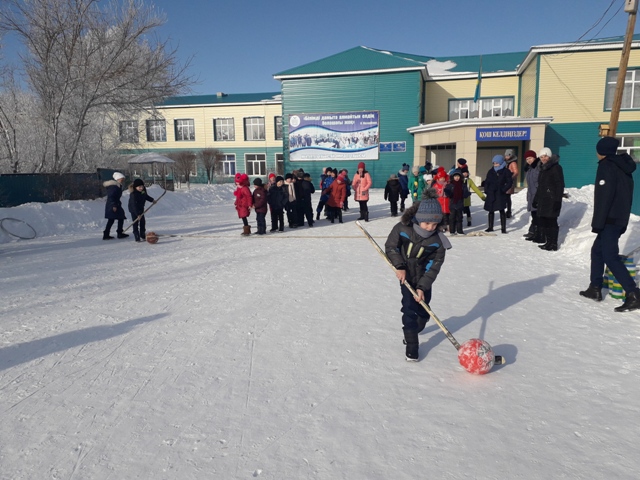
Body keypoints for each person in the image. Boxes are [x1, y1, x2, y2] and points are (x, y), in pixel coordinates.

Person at [384, 188, 452, 361]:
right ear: (418, 218)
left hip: (423, 278)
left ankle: (420, 322)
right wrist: (399, 266)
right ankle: (412, 344)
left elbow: (434, 267)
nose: (431, 227)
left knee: (423, 308)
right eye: (427, 223)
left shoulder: (438, 242)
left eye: (435, 224)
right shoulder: (402, 228)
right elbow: (391, 247)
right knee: (408, 309)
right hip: (406, 276)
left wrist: (422, 287)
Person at [580, 136, 640, 312]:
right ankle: (595, 287)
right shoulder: (623, 167)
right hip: (618, 217)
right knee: (597, 251)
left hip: (609, 219)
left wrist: (598, 223)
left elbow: (604, 197)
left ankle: (633, 294)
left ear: (602, 152)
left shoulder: (607, 166)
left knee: (610, 256)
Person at [533, 147, 564, 251]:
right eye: (541, 157)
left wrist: (557, 200)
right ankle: (548, 242)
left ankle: (553, 244)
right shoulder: (543, 169)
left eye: (545, 156)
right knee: (545, 221)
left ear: (549, 156)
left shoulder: (556, 168)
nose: (543, 159)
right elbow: (540, 186)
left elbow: (560, 185)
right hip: (543, 199)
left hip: (552, 199)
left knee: (551, 221)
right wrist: (536, 199)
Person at [482, 155, 513, 233]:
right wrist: (486, 190)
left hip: (500, 193)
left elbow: (509, 182)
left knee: (501, 210)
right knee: (491, 210)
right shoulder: (491, 171)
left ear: (501, 163)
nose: (495, 165)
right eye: (494, 163)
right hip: (491, 193)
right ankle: (490, 227)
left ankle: (503, 228)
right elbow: (487, 181)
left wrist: (503, 189)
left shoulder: (506, 171)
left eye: (497, 163)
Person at [522, 150, 542, 242]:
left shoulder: (538, 167)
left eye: (530, 158)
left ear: (534, 157)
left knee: (538, 216)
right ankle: (533, 232)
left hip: (538, 195)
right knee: (534, 215)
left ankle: (537, 233)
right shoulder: (529, 169)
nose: (528, 160)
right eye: (527, 159)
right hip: (531, 195)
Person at [103, 172, 128, 240]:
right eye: (122, 179)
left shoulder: (117, 186)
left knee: (119, 218)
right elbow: (111, 196)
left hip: (116, 204)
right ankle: (109, 234)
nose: (123, 180)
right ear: (118, 179)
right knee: (112, 219)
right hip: (112, 205)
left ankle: (117, 233)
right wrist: (114, 205)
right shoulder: (113, 187)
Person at [444, 169, 470, 235]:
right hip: (452, 203)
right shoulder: (450, 185)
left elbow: (465, 193)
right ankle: (452, 231)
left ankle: (459, 230)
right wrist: (447, 191)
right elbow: (448, 194)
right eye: (455, 176)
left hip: (460, 203)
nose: (457, 178)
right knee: (452, 218)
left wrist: (467, 193)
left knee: (459, 218)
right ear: (453, 177)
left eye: (458, 176)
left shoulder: (463, 185)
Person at [504, 149, 519, 218]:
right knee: (506, 197)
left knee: (507, 197)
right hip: (506, 182)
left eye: (508, 155)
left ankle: (508, 212)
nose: (506, 157)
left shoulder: (513, 163)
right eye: (505, 155)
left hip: (509, 182)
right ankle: (507, 211)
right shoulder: (507, 162)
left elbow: (516, 172)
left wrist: (510, 178)